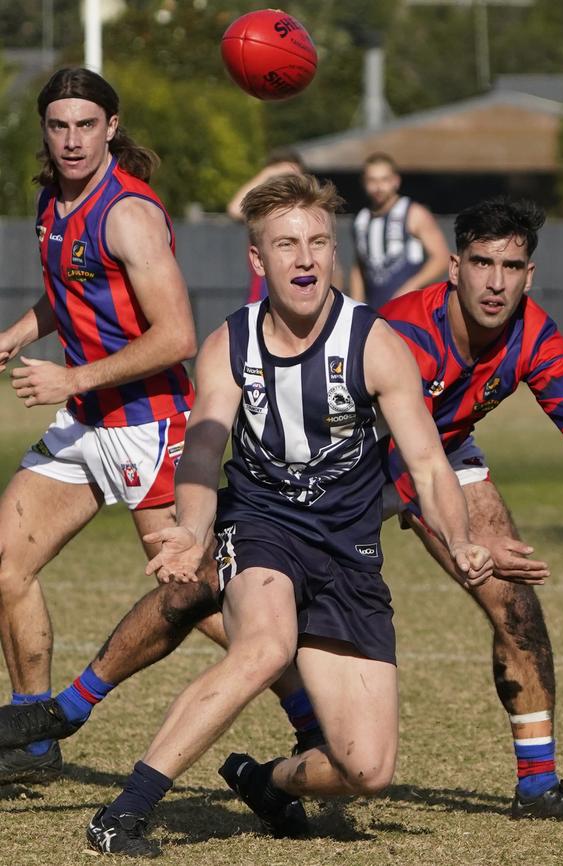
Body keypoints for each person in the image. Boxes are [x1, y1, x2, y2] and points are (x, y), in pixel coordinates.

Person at [7, 172, 489, 856]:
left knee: (367, 770)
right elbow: (202, 455)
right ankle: (125, 812)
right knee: (265, 647)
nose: (306, 258)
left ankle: (267, 781)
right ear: (258, 261)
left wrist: (462, 538)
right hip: (262, 527)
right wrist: (193, 531)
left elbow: (430, 464)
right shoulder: (229, 347)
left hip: (348, 554)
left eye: (319, 242)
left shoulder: (374, 344)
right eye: (287, 244)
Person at [380, 196, 563, 821]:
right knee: (228, 598)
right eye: (482, 262)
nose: (496, 282)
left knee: (515, 604)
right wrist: (459, 533)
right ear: (454, 267)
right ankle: (92, 698)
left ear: (530, 274)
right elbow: (395, 449)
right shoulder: (405, 332)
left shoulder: (533, 330)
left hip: (447, 451)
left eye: (512, 266)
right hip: (356, 459)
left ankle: (538, 784)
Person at [0, 67, 199, 785]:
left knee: (189, 594)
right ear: (45, 133)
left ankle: (306, 703)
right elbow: (72, 289)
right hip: (87, 419)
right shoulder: (53, 201)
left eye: (87, 125)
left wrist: (72, 376)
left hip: (147, 422)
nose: (72, 139)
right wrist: (22, 331)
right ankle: (30, 736)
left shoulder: (129, 214)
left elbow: (177, 335)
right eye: (59, 126)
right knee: (6, 564)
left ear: (112, 127)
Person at [349, 152, 450, 309]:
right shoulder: (360, 221)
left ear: (396, 181)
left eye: (384, 179)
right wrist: (356, 307)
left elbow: (442, 259)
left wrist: (410, 289)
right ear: (363, 182)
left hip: (412, 309)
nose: (378, 187)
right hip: (376, 313)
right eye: (372, 180)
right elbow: (360, 267)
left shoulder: (413, 213)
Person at [227, 148, 305, 303]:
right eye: (281, 176)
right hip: (263, 299)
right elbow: (235, 208)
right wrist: (268, 173)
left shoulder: (311, 215)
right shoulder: (264, 212)